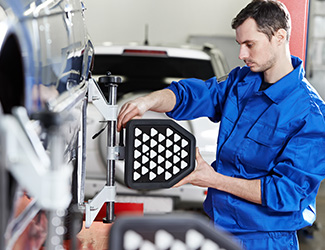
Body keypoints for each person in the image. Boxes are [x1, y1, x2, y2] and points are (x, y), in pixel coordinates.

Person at [117, 0, 325, 249]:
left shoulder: (311, 114)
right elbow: (193, 95)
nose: (241, 55)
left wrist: (212, 179)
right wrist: (148, 101)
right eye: (240, 45)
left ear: (279, 37)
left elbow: (287, 193)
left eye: (250, 44)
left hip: (265, 240)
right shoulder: (242, 82)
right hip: (218, 230)